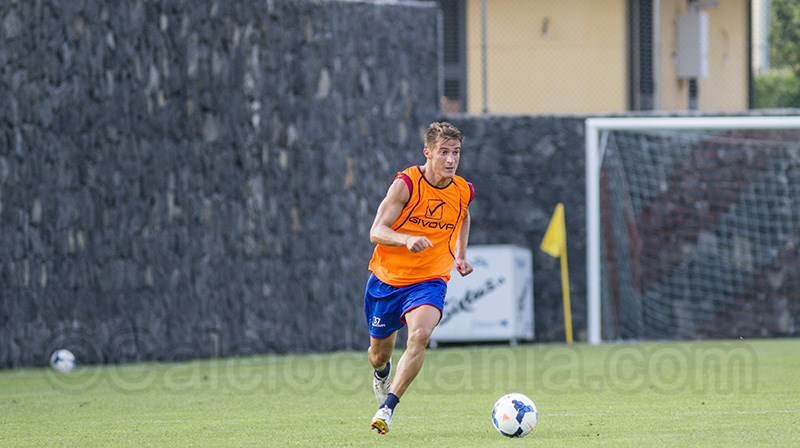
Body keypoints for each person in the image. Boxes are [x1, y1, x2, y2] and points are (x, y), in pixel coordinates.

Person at [363, 121, 474, 434]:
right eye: (443, 152)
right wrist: (406, 239)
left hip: (430, 280)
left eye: (456, 153)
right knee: (378, 354)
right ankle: (382, 373)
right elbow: (376, 231)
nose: (451, 160)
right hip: (387, 280)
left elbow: (463, 215)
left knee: (420, 335)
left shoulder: (463, 189)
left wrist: (461, 255)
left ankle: (388, 407)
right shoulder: (407, 184)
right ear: (428, 152)